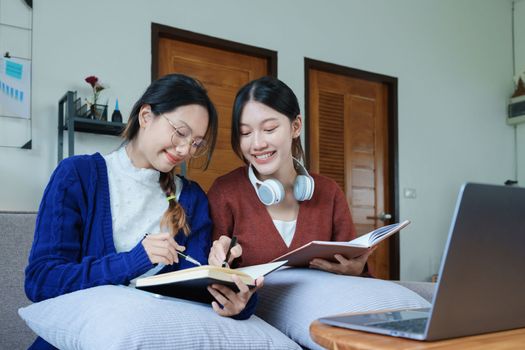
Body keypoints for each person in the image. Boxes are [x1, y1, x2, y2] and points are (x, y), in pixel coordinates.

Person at [25, 74, 260, 350]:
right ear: (146, 116)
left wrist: (235, 292)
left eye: (196, 143)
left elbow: (198, 294)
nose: (185, 150)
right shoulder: (77, 176)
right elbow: (41, 281)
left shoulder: (192, 198)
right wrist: (133, 260)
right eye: (181, 132)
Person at [207, 76, 373, 276]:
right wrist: (217, 265)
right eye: (245, 133)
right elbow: (208, 283)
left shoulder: (329, 192)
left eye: (269, 129)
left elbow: (354, 268)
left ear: (295, 127)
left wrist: (357, 271)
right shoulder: (225, 192)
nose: (257, 144)